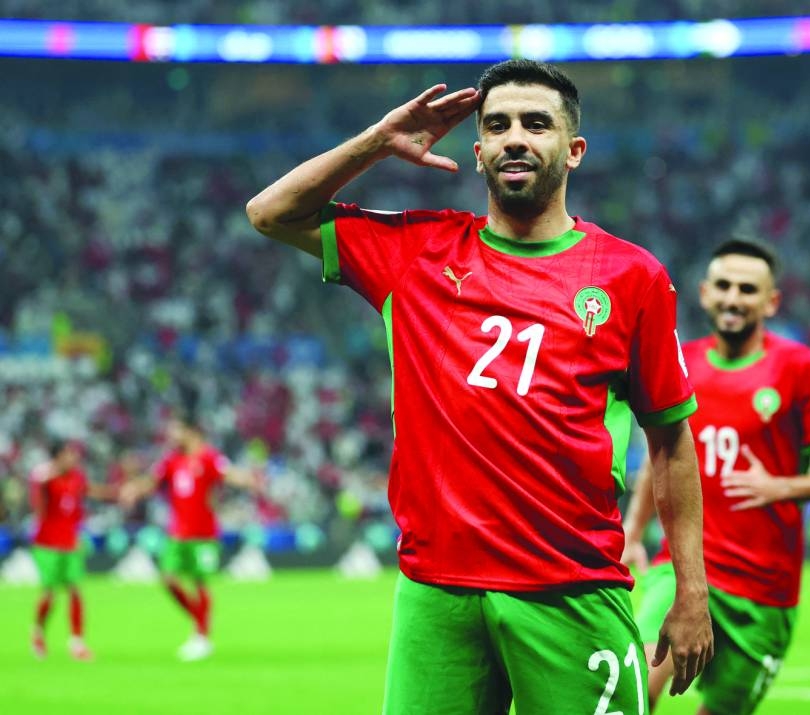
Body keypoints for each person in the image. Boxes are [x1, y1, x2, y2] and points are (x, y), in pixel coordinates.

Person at [246, 59, 712, 714]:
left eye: (535, 124)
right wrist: (378, 140)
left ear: (573, 150)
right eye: (497, 125)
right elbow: (269, 212)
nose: (515, 137)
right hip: (438, 595)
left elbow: (671, 439)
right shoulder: (414, 253)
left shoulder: (630, 277)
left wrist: (691, 591)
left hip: (571, 589)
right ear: (478, 150)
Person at [622, 238, 810, 714]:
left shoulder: (803, 368)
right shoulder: (679, 360)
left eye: (748, 289)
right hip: (684, 568)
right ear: (706, 293)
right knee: (635, 690)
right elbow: (658, 458)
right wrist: (632, 531)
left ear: (771, 301)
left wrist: (781, 486)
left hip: (763, 591)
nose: (734, 298)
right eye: (724, 286)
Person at [120, 412, 260, 661]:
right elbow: (152, 482)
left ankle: (201, 636)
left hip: (204, 534)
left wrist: (250, 480)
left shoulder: (209, 457)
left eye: (176, 430)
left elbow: (229, 474)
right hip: (178, 533)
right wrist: (133, 489)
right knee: (168, 579)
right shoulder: (171, 461)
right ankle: (200, 621)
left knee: (200, 583)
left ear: (191, 431)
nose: (171, 436)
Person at [29, 440, 117, 661]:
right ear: (58, 457)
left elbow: (89, 491)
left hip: (70, 543)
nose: (74, 459)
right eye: (69, 454)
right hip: (47, 543)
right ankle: (38, 632)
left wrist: (115, 493)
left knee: (75, 590)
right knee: (49, 593)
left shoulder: (76, 478)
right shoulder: (44, 479)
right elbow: (37, 503)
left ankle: (77, 643)